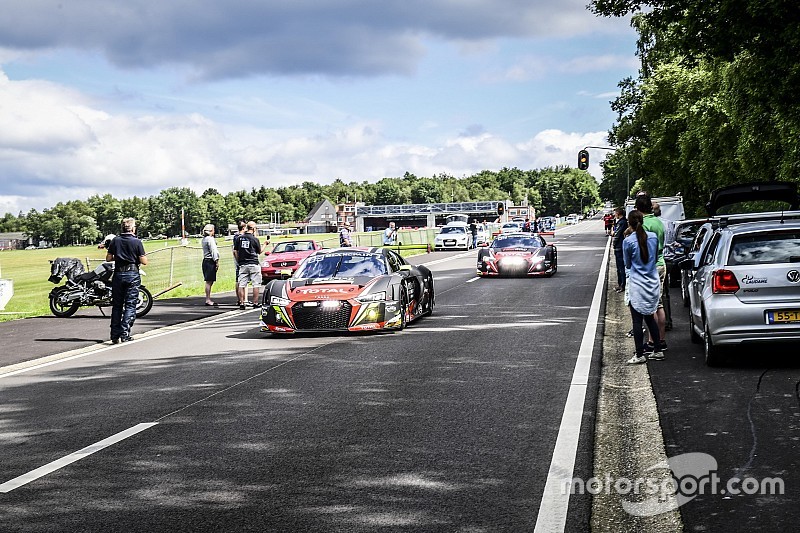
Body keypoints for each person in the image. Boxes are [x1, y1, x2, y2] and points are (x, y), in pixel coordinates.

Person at [623, 210, 663, 364]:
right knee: (650, 318)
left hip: (637, 283)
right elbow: (655, 255)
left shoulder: (628, 241)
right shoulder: (653, 237)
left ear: (629, 223)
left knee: (637, 321)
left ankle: (639, 354)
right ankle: (657, 350)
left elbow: (627, 263)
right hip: (652, 282)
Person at [106, 217, 148, 344]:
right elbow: (144, 261)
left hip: (118, 273)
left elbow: (108, 258)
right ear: (133, 228)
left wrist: (119, 256)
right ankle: (125, 333)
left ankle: (114, 335)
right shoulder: (137, 242)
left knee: (117, 305)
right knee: (130, 304)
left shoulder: (115, 241)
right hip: (132, 273)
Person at [637, 194, 668, 353]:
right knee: (659, 303)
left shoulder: (643, 224)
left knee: (650, 306)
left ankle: (652, 341)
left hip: (650, 266)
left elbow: (642, 248)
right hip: (661, 263)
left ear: (637, 208)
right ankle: (661, 339)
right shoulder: (658, 222)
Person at [233, 221, 262, 309]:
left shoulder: (239, 238)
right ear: (253, 229)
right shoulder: (255, 239)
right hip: (253, 262)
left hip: (243, 264)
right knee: (256, 284)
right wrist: (265, 244)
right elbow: (259, 251)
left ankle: (242, 303)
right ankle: (255, 302)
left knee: (242, 284)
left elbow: (235, 251)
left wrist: (239, 260)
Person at [201, 224, 219, 306]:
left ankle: (208, 298)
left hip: (205, 260)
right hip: (210, 261)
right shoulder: (210, 239)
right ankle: (208, 299)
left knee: (209, 281)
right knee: (209, 281)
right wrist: (216, 261)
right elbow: (213, 251)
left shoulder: (204, 239)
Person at [612, 207, 628, 292]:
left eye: (615, 213)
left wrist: (614, 243)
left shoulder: (622, 223)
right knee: (619, 267)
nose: (614, 215)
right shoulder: (621, 222)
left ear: (618, 213)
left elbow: (616, 235)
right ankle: (620, 283)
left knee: (621, 267)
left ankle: (622, 284)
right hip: (619, 246)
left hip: (620, 246)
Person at [232, 219, 246, 305]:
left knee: (238, 280)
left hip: (238, 260)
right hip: (242, 260)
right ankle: (243, 299)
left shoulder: (235, 237)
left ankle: (239, 299)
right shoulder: (242, 237)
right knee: (243, 281)